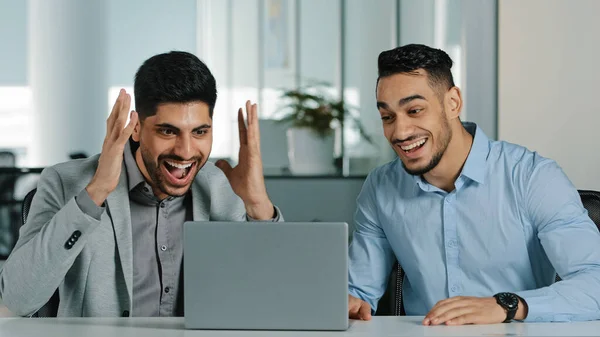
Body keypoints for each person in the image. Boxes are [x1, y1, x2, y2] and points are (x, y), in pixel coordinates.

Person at [0, 51, 283, 317]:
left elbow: (279, 293)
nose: (185, 151)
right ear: (136, 127)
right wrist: (95, 193)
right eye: (168, 131)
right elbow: (17, 298)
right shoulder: (64, 182)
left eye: (199, 132)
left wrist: (259, 207)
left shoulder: (221, 187)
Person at [347, 44, 600, 324]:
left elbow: (595, 284)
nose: (400, 131)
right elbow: (358, 293)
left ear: (453, 102)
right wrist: (348, 303)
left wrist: (506, 306)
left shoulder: (533, 177)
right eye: (387, 117)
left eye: (415, 110)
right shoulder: (381, 187)